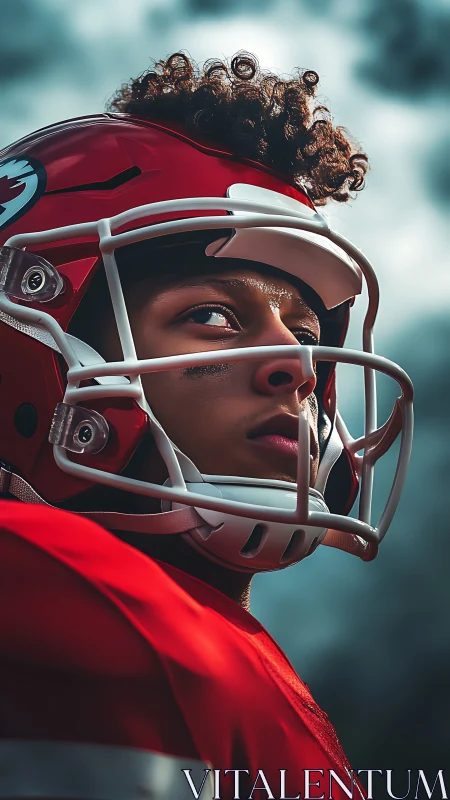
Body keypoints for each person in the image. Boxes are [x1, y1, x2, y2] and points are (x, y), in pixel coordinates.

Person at [0, 53, 413, 799]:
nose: (298, 366)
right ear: (31, 340)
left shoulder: (219, 642)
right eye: (214, 317)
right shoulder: (49, 592)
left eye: (307, 330)